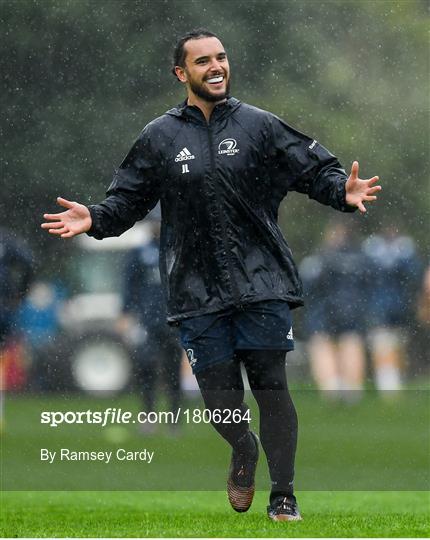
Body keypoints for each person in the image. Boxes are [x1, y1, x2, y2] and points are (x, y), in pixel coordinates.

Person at [41, 29, 381, 521]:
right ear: (182, 73)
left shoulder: (259, 126)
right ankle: (243, 449)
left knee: (271, 385)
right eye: (203, 61)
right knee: (222, 403)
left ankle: (283, 495)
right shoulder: (159, 136)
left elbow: (315, 171)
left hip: (262, 281)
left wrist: (340, 192)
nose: (216, 66)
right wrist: (95, 218)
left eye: (221, 57)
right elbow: (126, 201)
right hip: (195, 290)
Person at [120, 209, 182, 434]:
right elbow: (129, 286)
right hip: (147, 321)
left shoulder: (177, 249)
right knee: (146, 366)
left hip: (173, 320)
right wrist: (126, 314)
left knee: (173, 371)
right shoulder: (139, 252)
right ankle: (148, 416)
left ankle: (174, 420)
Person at [300, 220, 370, 401]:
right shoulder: (361, 257)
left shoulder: (320, 259)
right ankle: (351, 390)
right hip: (351, 308)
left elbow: (307, 285)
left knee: (323, 344)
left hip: (325, 310)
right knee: (350, 342)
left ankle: (331, 389)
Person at [362, 227, 422, 391]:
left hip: (399, 307)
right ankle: (388, 384)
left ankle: (393, 382)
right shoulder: (371, 252)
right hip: (380, 307)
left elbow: (414, 275)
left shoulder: (404, 252)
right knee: (382, 343)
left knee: (397, 344)